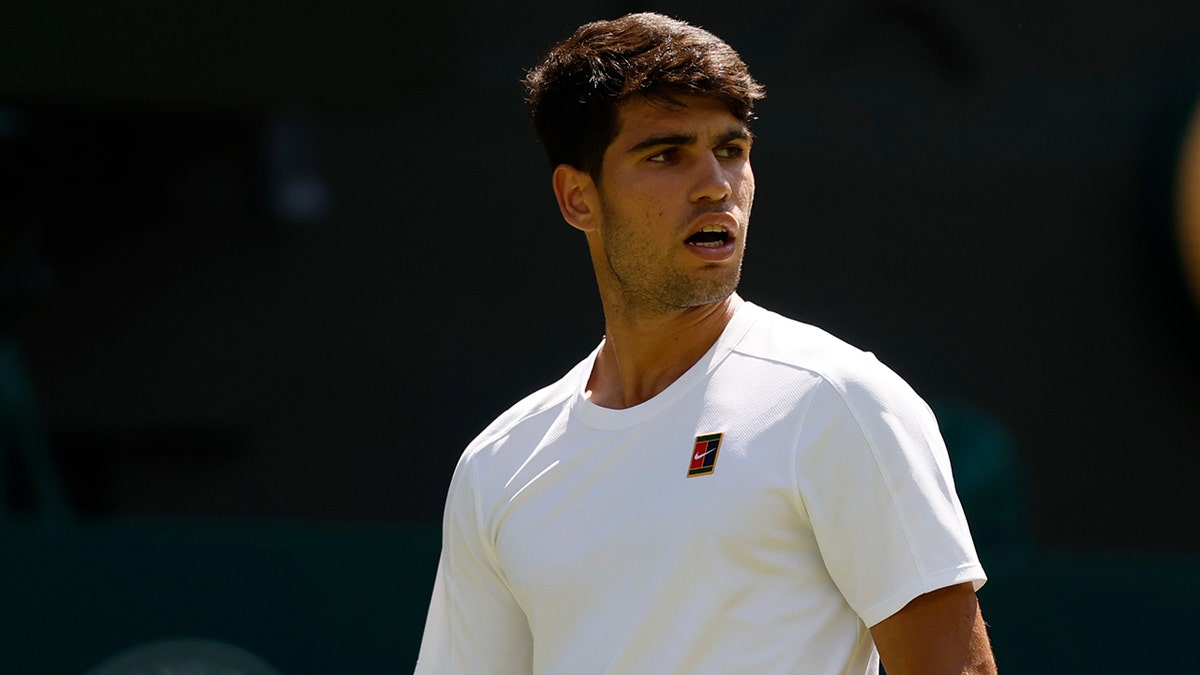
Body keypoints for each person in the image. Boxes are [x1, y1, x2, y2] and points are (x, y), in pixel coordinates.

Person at [415, 11, 996, 675]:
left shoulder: (838, 402)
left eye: (732, 149)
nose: (716, 185)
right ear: (578, 197)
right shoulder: (497, 465)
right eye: (665, 154)